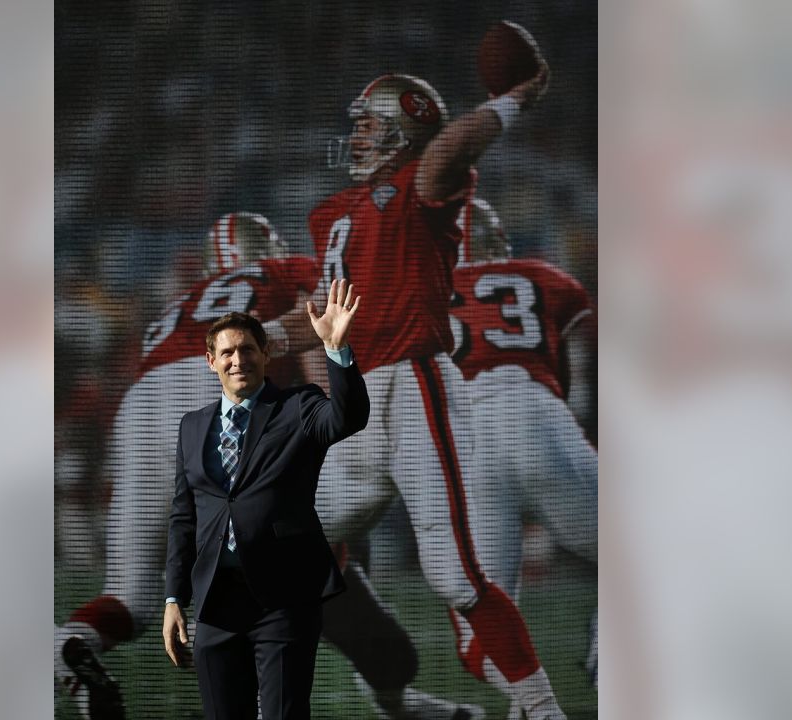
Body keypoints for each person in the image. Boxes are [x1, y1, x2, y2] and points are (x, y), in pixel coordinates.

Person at [55, 214, 480, 719]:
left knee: (133, 592)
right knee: (331, 504)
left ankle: (68, 642)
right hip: (221, 391)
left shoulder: (180, 306)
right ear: (271, 246)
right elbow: (320, 345)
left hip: (145, 402)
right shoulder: (287, 271)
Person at [267, 70, 568, 718]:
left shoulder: (419, 184)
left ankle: (542, 711)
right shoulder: (333, 214)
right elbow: (323, 313)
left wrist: (512, 98)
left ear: (403, 130)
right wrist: (255, 339)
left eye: (369, 123)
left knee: (457, 576)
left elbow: (450, 148)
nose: (356, 136)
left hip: (413, 387)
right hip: (358, 402)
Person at [163, 283, 368, 720]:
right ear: (211, 361)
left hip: (285, 598)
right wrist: (172, 599)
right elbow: (184, 518)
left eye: (249, 349)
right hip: (216, 604)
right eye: (228, 352)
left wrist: (337, 349)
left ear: (266, 354)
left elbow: (347, 418)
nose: (239, 360)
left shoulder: (297, 406)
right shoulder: (192, 426)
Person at [448, 197, 599, 687]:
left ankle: (531, 702)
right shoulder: (542, 275)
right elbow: (569, 368)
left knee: (483, 626)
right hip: (531, 407)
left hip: (464, 437)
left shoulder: (423, 288)